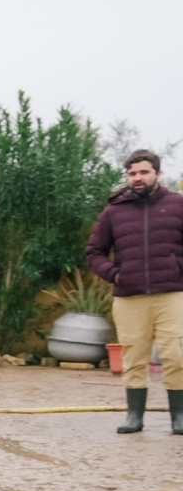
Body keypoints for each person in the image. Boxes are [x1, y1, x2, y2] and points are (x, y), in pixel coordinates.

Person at [88, 148, 183, 434]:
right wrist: (116, 274)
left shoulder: (178, 205)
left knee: (176, 354)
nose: (137, 178)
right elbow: (94, 251)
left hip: (172, 294)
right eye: (132, 174)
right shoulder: (113, 212)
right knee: (133, 356)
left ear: (157, 174)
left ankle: (178, 417)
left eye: (143, 172)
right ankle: (134, 416)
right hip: (130, 297)